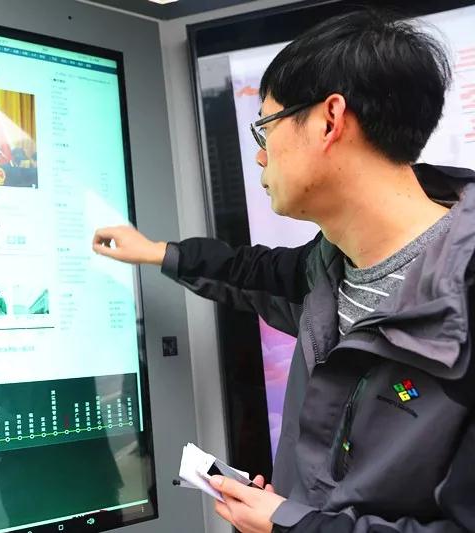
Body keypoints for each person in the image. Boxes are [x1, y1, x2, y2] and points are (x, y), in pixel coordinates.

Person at [93, 10, 475, 533]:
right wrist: (158, 252)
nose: (258, 157)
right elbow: (251, 272)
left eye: (265, 127)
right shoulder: (329, 269)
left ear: (329, 120)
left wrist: (292, 526)